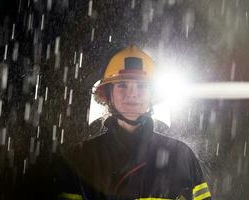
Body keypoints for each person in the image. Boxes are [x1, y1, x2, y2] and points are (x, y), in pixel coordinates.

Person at [58, 45, 211, 200]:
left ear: (152, 96)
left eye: (142, 86)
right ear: (109, 95)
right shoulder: (80, 158)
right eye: (122, 85)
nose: (131, 94)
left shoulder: (182, 157)